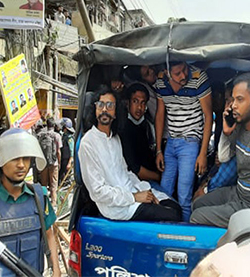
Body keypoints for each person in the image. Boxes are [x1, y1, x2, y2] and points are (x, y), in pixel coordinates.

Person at [190, 72, 250, 228]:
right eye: (233, 99)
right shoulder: (240, 124)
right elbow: (223, 157)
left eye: (240, 100)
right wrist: (226, 132)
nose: (233, 105)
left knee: (196, 216)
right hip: (238, 192)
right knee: (197, 204)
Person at [0, 128, 61, 277]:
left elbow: (49, 234)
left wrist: (56, 269)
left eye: (26, 158)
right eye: (15, 158)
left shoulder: (39, 196)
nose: (22, 165)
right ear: (1, 160)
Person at [79, 86, 181, 222]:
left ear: (116, 113)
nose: (104, 109)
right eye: (101, 105)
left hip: (132, 192)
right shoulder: (88, 143)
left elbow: (126, 173)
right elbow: (97, 192)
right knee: (172, 215)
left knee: (174, 207)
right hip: (117, 207)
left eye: (110, 105)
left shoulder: (115, 139)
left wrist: (146, 191)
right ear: (95, 109)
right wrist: (134, 197)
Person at [154, 61, 213, 221]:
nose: (183, 75)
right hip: (171, 142)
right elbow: (160, 115)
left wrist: (203, 153)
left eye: (185, 69)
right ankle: (165, 230)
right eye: (178, 73)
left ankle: (184, 235)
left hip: (190, 142)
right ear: (167, 73)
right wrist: (159, 150)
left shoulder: (198, 77)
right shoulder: (160, 81)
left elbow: (209, 116)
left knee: (184, 196)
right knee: (164, 192)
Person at [119, 83, 160, 184]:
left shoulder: (147, 125)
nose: (139, 107)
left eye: (143, 103)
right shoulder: (124, 129)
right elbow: (135, 169)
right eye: (135, 101)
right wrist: (159, 177)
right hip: (137, 181)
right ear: (128, 103)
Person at [37, 118, 61, 205]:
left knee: (44, 184)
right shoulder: (56, 136)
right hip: (53, 163)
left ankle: (43, 202)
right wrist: (59, 162)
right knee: (53, 184)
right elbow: (58, 151)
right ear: (54, 125)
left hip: (43, 163)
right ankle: (54, 203)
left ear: (46, 125)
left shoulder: (40, 135)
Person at [58, 117, 75, 185]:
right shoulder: (63, 136)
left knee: (66, 179)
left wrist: (69, 163)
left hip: (67, 160)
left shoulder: (69, 138)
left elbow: (72, 151)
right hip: (63, 160)